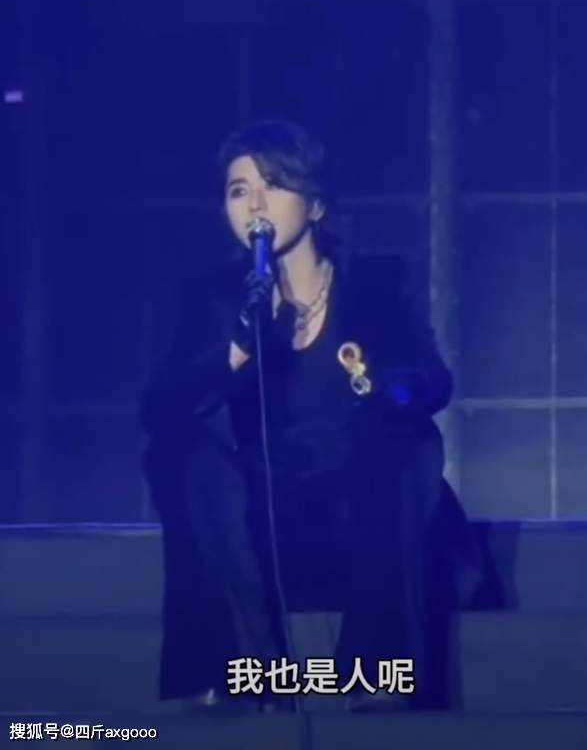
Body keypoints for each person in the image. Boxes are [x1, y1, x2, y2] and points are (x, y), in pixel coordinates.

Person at [139, 119, 484, 713]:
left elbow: (430, 382)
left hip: (359, 517)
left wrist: (378, 381)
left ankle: (377, 673)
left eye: (272, 185)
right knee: (183, 452)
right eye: (238, 190)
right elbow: (161, 408)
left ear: (316, 204)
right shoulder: (210, 300)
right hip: (260, 527)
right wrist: (236, 350)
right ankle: (246, 677)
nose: (255, 204)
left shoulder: (375, 287)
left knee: (409, 443)